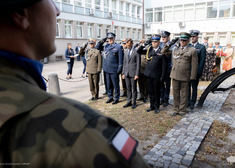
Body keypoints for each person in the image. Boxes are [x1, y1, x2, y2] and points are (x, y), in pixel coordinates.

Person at [0, 0, 150, 167]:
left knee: (119, 88)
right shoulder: (85, 128)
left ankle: (120, 98)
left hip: (116, 70)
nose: (57, 10)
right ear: (21, 12)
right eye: (50, 1)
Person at [170, 32, 198, 116]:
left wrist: (193, 76)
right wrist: (170, 43)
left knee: (184, 94)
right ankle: (175, 109)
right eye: (181, 40)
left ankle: (182, 110)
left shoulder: (192, 50)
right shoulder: (175, 49)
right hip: (175, 74)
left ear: (188, 41)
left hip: (185, 75)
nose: (182, 42)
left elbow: (194, 65)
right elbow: (164, 51)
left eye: (184, 40)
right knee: (175, 93)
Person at [137, 35, 166, 114]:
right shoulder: (149, 50)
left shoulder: (161, 51)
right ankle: (152, 106)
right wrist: (144, 44)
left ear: (159, 43)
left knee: (156, 92)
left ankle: (157, 107)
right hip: (148, 74)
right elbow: (138, 51)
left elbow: (164, 66)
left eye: (155, 42)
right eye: (153, 42)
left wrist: (162, 77)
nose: (154, 43)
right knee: (150, 91)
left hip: (156, 75)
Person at [96, 32, 124, 105]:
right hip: (106, 68)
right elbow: (97, 47)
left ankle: (116, 98)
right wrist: (103, 40)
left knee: (115, 84)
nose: (110, 40)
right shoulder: (106, 46)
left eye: (111, 38)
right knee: (108, 84)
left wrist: (119, 68)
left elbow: (120, 59)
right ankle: (110, 97)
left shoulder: (118, 46)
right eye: (109, 38)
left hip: (114, 69)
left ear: (114, 38)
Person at [188, 30, 206, 110]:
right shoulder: (188, 46)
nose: (192, 38)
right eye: (191, 36)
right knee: (187, 87)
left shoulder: (201, 47)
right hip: (187, 71)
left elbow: (202, 61)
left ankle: (192, 102)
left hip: (195, 72)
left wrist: (198, 72)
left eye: (194, 36)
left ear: (197, 37)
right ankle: (187, 101)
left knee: (194, 87)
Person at [122, 38, 140, 109]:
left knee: (134, 88)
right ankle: (128, 101)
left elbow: (138, 64)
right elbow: (124, 62)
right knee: (128, 88)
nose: (128, 46)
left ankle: (134, 102)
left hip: (133, 73)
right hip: (126, 73)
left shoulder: (136, 51)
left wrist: (137, 74)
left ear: (132, 44)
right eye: (127, 45)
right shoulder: (126, 51)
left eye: (129, 45)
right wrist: (123, 73)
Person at [160, 30, 173, 107]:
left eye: (164, 37)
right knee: (161, 83)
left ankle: (166, 99)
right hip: (161, 68)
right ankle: (162, 97)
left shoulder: (172, 45)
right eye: (162, 37)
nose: (163, 38)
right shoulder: (160, 44)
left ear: (168, 37)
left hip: (168, 67)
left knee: (167, 84)